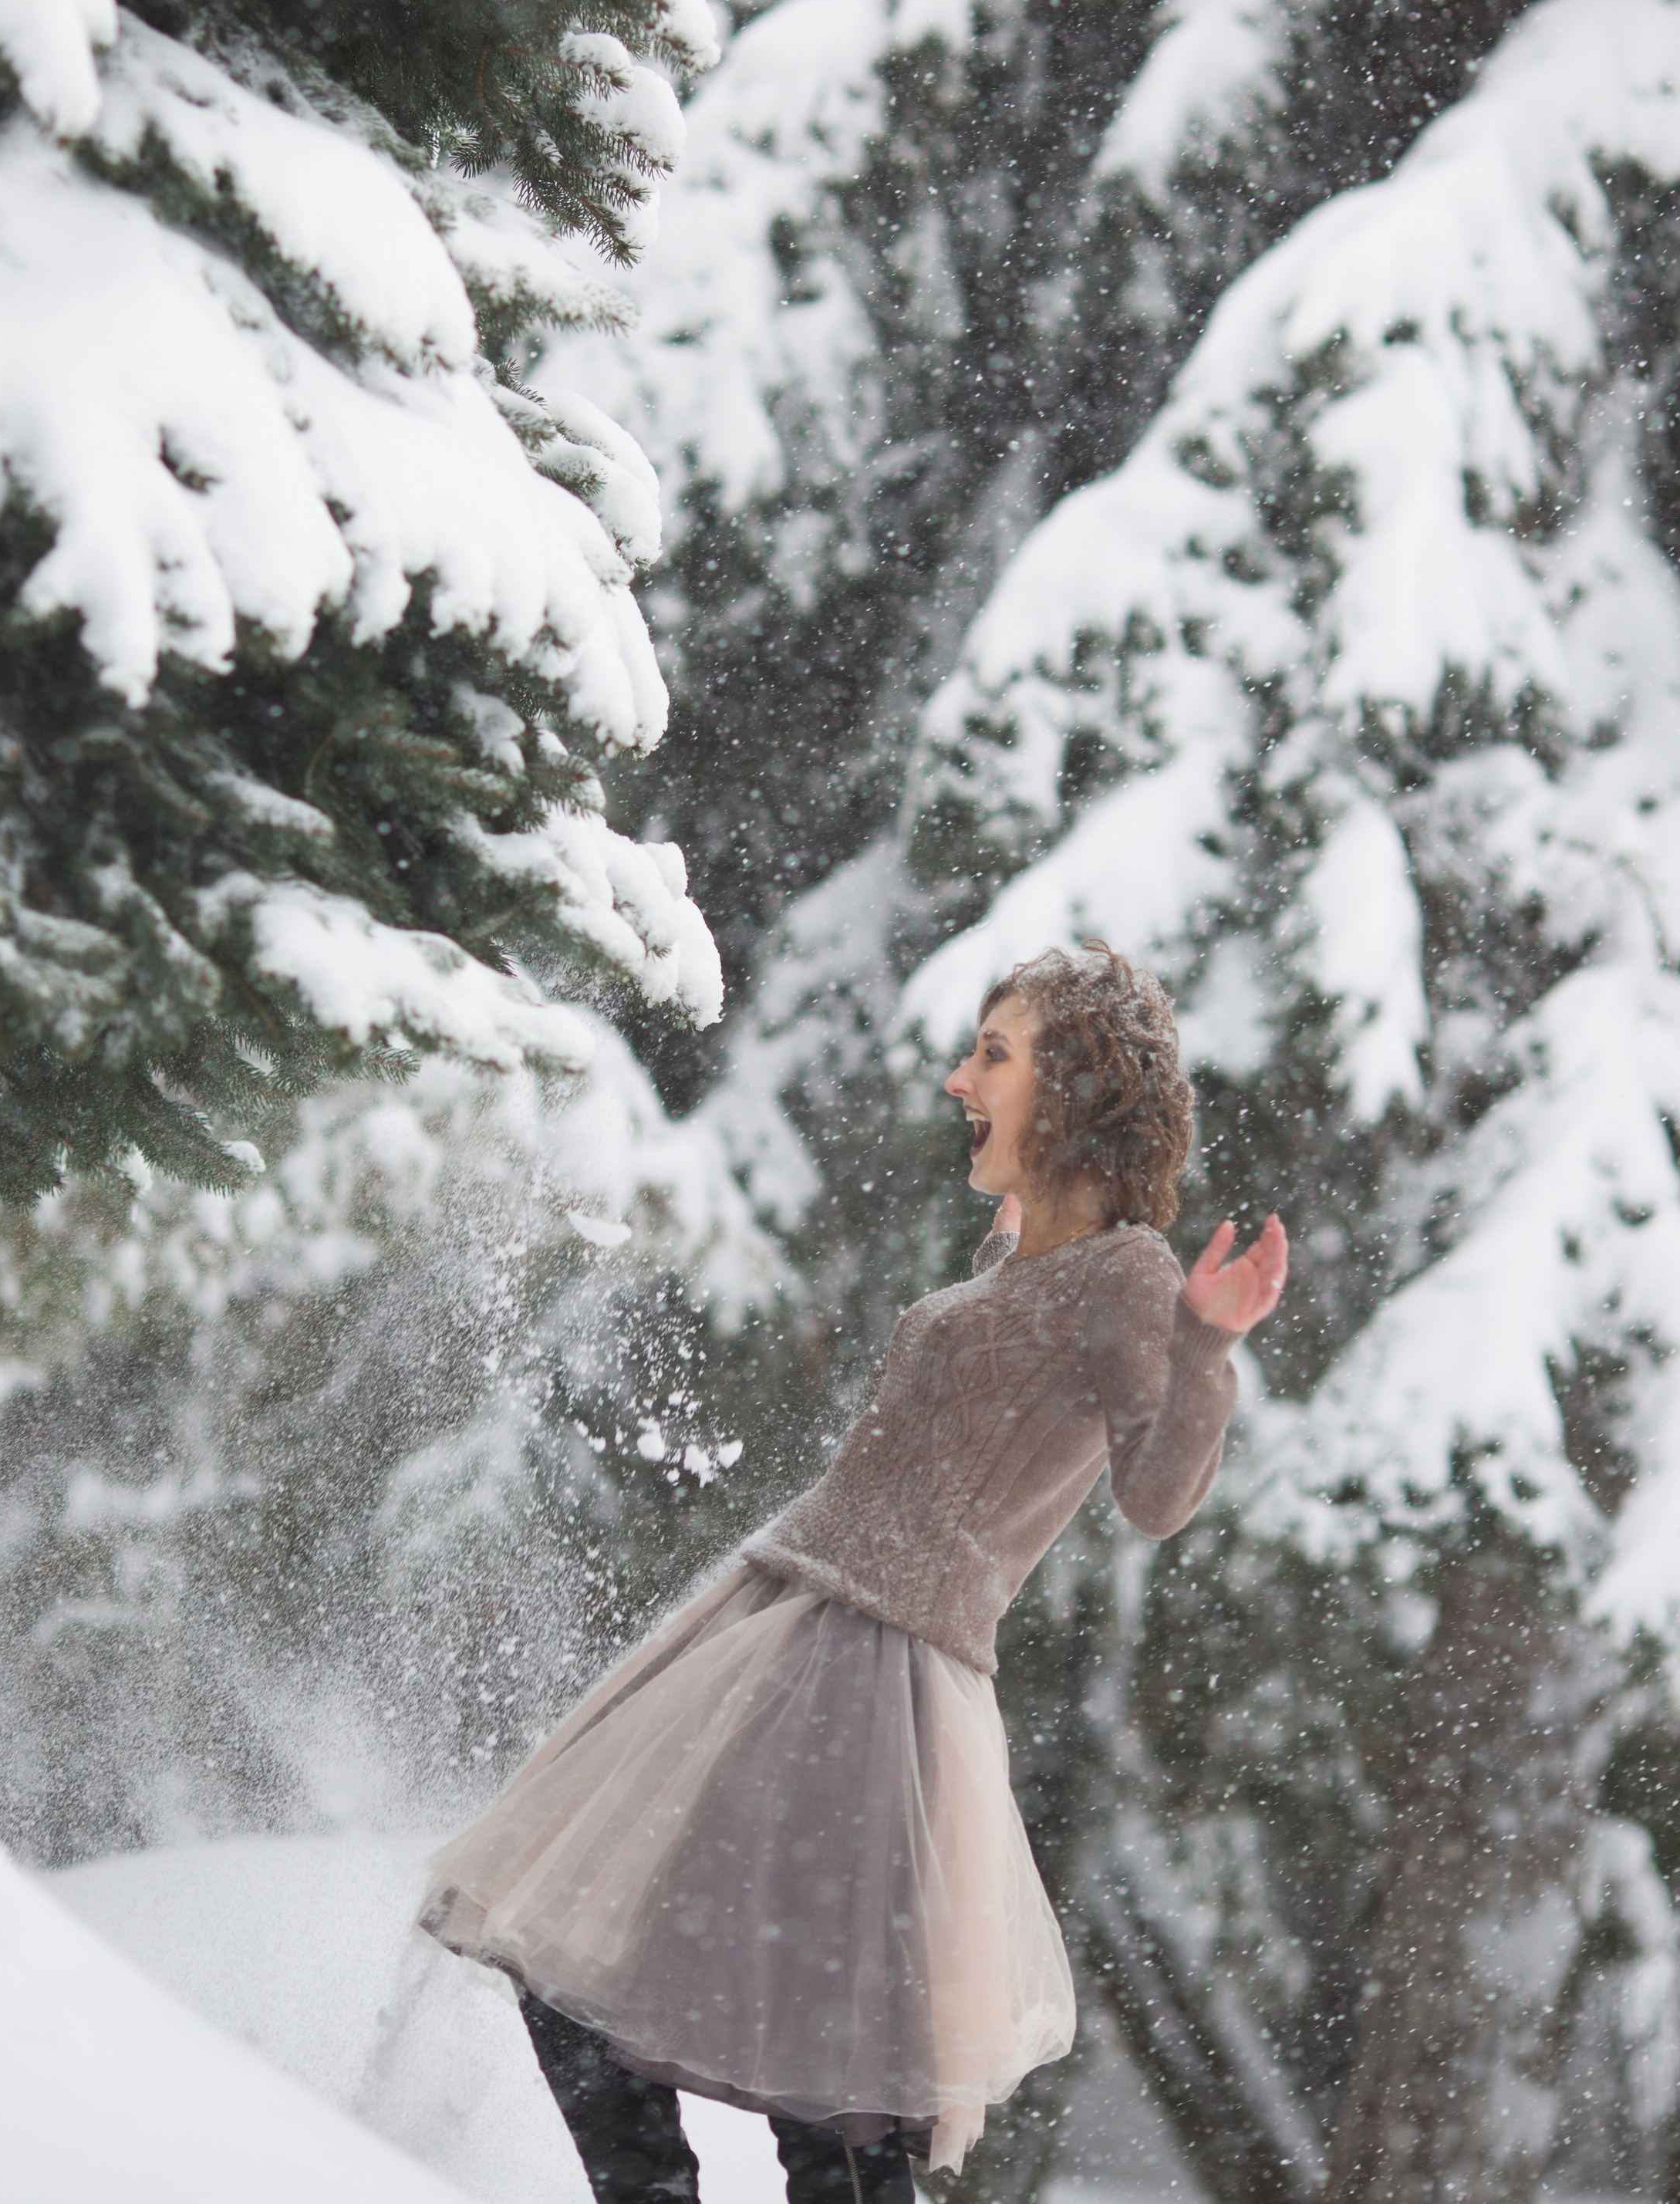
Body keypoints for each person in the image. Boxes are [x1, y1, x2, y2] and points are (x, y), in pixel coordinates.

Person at [417, 943, 1289, 2204]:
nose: (959, 1079)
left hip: (876, 1667)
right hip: (794, 1618)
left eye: (995, 1053)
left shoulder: (1126, 1275)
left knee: (838, 2095)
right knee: (573, 1950)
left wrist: (1206, 1344)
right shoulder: (1019, 1260)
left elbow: (1154, 1495)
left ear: (1082, 1086)